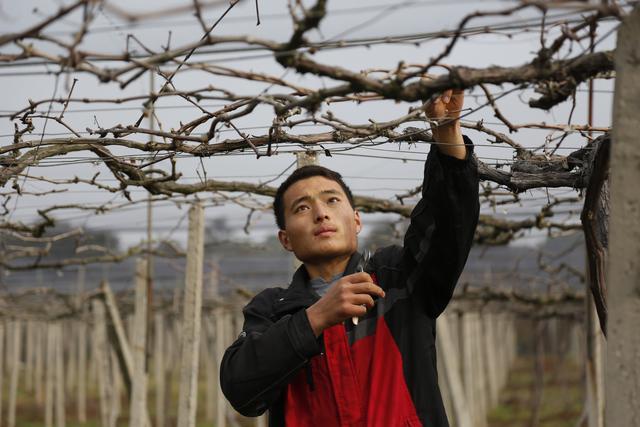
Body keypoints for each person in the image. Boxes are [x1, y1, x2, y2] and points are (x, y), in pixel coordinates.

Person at [220, 89, 480, 426]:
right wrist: (314, 319)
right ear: (285, 239)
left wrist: (446, 134)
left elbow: (446, 226)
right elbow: (242, 390)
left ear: (356, 220)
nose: (320, 214)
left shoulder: (399, 279)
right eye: (302, 207)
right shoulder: (271, 310)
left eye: (332, 201)